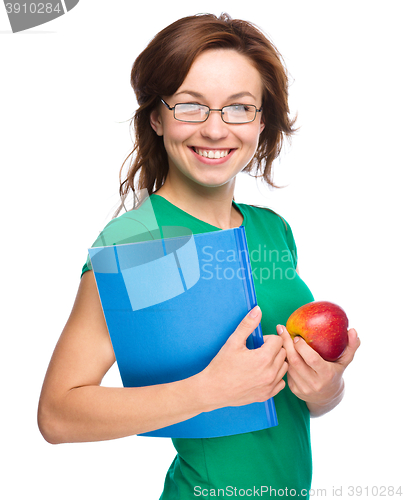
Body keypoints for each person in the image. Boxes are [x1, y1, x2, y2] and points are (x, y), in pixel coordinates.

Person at [38, 13, 360, 499]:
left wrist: (326, 390)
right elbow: (58, 415)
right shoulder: (140, 242)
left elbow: (292, 406)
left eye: (239, 107)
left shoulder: (272, 231)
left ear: (260, 121)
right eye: (190, 106)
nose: (215, 130)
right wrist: (206, 392)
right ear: (157, 115)